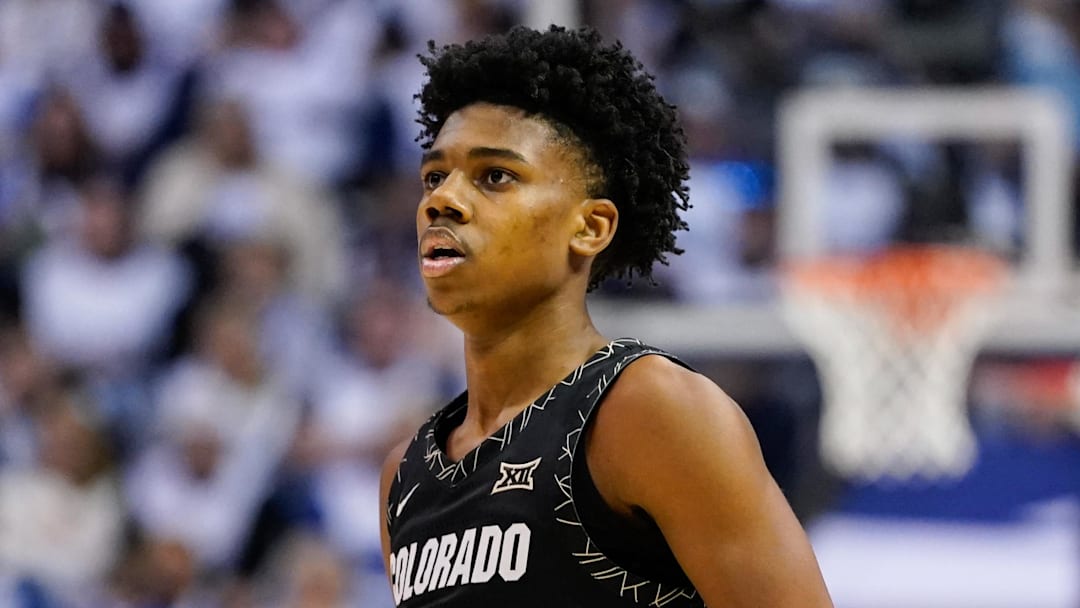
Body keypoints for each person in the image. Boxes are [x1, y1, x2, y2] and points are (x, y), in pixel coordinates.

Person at [378, 25, 833, 607]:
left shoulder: (650, 409)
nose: (441, 199)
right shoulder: (406, 476)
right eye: (435, 176)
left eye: (495, 176)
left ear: (589, 227)